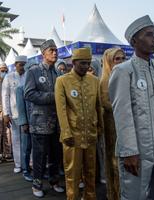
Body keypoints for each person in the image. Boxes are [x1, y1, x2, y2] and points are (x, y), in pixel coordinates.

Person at [108, 15, 154, 200]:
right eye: (148, 34)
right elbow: (122, 114)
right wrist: (129, 152)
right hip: (138, 148)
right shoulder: (123, 71)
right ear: (134, 41)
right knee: (135, 195)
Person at [55, 48, 103, 200]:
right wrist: (66, 133)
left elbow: (98, 106)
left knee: (91, 171)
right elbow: (61, 110)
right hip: (72, 135)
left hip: (90, 133)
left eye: (88, 63)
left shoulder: (94, 80)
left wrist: (100, 127)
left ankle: (90, 197)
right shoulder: (62, 81)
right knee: (72, 173)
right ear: (74, 62)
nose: (86, 66)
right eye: (83, 63)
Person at [24, 39, 64, 198]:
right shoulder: (33, 71)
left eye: (56, 50)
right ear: (43, 53)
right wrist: (53, 96)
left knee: (56, 154)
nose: (55, 53)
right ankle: (37, 184)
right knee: (40, 155)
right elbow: (28, 94)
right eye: (51, 50)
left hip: (57, 123)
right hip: (40, 122)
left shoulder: (58, 73)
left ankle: (54, 181)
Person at [100, 47, 126, 200]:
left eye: (123, 58)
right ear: (109, 61)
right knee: (115, 161)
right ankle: (116, 194)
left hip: (125, 124)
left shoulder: (124, 75)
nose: (121, 62)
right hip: (113, 125)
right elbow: (105, 103)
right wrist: (125, 107)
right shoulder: (105, 79)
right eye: (117, 59)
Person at [2, 55, 31, 176]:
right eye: (20, 64)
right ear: (15, 65)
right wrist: (6, 113)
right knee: (16, 139)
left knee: (28, 140)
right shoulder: (9, 77)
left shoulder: (29, 75)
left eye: (24, 64)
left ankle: (29, 163)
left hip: (28, 113)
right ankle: (18, 164)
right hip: (14, 113)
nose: (22, 67)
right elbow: (5, 96)